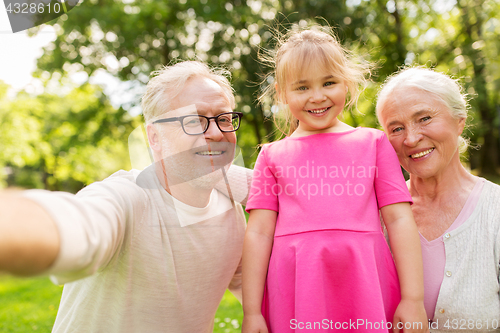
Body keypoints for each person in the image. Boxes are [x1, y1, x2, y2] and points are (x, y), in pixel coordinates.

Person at [0, 61, 248, 332]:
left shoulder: (231, 214)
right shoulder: (128, 198)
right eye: (193, 121)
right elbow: (80, 226)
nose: (215, 133)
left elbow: (262, 292)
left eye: (224, 119)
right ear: (154, 137)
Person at [241, 27, 428, 333]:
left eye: (329, 82)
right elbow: (259, 234)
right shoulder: (272, 156)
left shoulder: (373, 143)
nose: (318, 96)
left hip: (364, 282)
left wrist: (413, 298)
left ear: (347, 83)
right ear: (281, 93)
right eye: (302, 87)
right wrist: (252, 312)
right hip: (297, 287)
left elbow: (398, 220)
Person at [376, 67, 500, 332]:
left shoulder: (495, 210)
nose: (411, 138)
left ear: (459, 121)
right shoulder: (375, 217)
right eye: (396, 128)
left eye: (424, 118)